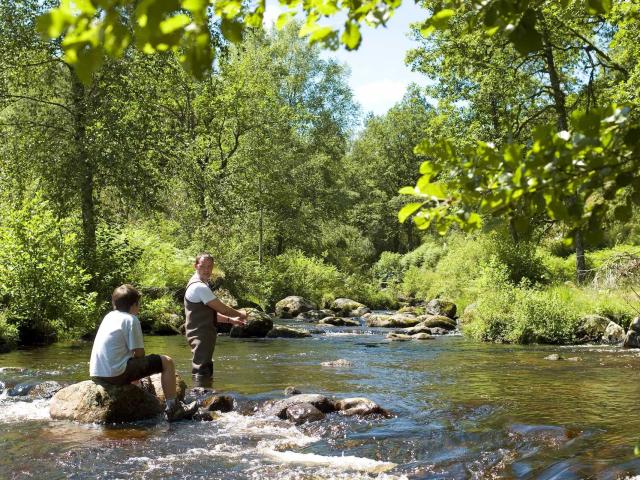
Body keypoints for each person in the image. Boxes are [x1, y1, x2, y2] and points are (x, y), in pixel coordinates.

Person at [90, 284, 197, 422]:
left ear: (114, 303)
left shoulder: (109, 317)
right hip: (115, 375)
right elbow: (139, 354)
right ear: (134, 305)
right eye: (138, 304)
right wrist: (136, 375)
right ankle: (174, 407)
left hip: (97, 373)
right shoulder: (131, 320)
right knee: (167, 361)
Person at [184, 253, 247, 385]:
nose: (207, 270)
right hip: (200, 334)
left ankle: (204, 397)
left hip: (200, 333)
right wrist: (240, 314)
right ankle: (200, 400)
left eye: (210, 267)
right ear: (196, 266)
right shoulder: (199, 287)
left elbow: (210, 313)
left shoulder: (199, 284)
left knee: (205, 365)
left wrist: (231, 320)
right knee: (201, 368)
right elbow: (222, 308)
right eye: (203, 266)